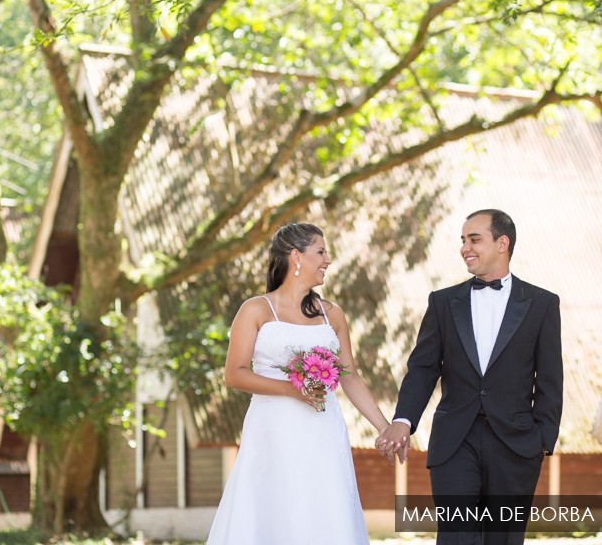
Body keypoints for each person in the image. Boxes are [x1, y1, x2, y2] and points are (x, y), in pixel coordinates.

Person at [377, 209, 563, 544]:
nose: (465, 247)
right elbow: (423, 368)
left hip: (516, 444)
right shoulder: (443, 302)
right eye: (463, 240)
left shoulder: (542, 304)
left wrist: (541, 440)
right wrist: (404, 419)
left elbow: (550, 379)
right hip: (454, 441)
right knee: (456, 536)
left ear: (502, 243)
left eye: (474, 238)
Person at [207, 222, 390, 545]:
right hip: (273, 429)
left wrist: (383, 427)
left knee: (323, 504)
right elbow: (234, 373)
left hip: (323, 428)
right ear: (296, 256)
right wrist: (292, 390)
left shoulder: (331, 314)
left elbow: (350, 377)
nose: (328, 260)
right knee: (275, 505)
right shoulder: (256, 310)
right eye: (321, 251)